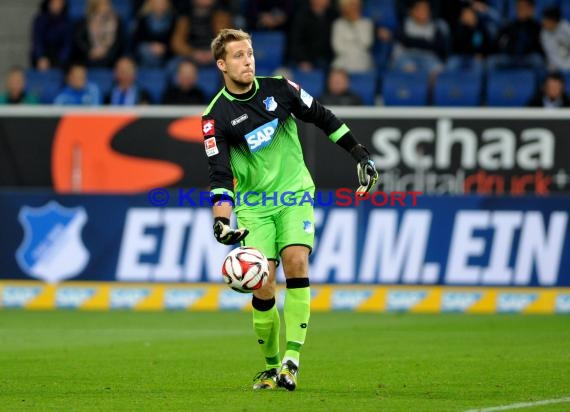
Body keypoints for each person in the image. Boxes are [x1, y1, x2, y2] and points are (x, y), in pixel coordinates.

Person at [202, 29, 378, 391]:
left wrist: (360, 154)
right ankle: (269, 368)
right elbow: (219, 175)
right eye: (237, 55)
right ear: (222, 64)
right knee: (263, 283)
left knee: (297, 260)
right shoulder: (215, 117)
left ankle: (291, 361)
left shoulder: (281, 89)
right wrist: (221, 222)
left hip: (294, 193)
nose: (247, 60)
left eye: (249, 53)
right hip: (254, 205)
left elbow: (324, 117)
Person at [31, 0, 73, 70]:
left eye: (59, 3)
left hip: (59, 56)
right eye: (54, 3)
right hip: (44, 54)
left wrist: (59, 61)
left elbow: (67, 44)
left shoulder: (67, 22)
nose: (56, 6)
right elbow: (37, 40)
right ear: (48, 4)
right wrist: (41, 57)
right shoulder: (40, 20)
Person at [540, 7, 570, 71]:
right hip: (556, 64)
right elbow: (551, 55)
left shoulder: (566, 28)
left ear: (553, 21)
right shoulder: (544, 34)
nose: (543, 22)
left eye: (545, 20)